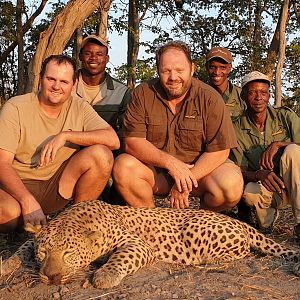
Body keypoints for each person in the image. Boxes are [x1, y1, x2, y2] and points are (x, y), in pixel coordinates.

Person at [112, 41, 243, 210]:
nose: (173, 77)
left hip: (200, 173)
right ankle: (152, 225)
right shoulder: (142, 93)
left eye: (180, 70)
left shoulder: (210, 98)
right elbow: (132, 142)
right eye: (166, 71)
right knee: (123, 167)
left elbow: (220, 151)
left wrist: (186, 179)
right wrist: (171, 163)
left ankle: (200, 222)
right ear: (158, 70)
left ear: (192, 69)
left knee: (231, 185)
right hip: (157, 172)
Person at [0, 54, 120, 233]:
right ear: (41, 80)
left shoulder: (79, 106)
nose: (56, 86)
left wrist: (66, 136)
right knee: (8, 215)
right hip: (18, 185)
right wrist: (27, 200)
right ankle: (27, 217)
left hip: (56, 184)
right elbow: (2, 163)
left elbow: (113, 140)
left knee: (101, 155)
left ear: (74, 85)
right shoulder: (16, 107)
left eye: (64, 82)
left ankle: (75, 222)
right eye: (51, 79)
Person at [230, 71, 300, 236]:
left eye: (263, 92)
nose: (258, 97)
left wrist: (280, 144)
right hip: (271, 188)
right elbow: (238, 169)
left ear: (269, 95)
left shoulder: (285, 116)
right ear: (243, 97)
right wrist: (258, 175)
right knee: (251, 193)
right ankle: (266, 224)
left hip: (296, 182)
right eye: (252, 92)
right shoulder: (236, 128)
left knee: (292, 151)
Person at [74, 34, 131, 135]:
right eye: (88, 53)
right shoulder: (66, 85)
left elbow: (126, 130)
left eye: (99, 54)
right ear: (80, 57)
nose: (93, 58)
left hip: (105, 146)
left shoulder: (121, 92)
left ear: (107, 59)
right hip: (68, 145)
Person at [206, 47, 246, 120]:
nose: (217, 72)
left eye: (222, 68)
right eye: (212, 67)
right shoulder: (199, 94)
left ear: (229, 68)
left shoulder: (241, 95)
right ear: (206, 67)